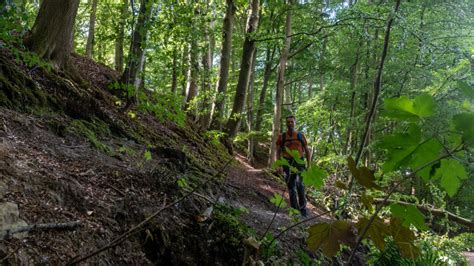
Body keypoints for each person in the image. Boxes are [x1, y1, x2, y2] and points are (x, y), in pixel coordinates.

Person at [276, 115, 311, 217]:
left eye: (292, 122)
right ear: (286, 123)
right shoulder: (281, 137)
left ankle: (303, 211)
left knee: (300, 185)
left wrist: (309, 165)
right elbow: (278, 151)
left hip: (299, 162)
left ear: (295, 123)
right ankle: (294, 211)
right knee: (291, 187)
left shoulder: (300, 135)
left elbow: (307, 151)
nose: (290, 123)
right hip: (287, 162)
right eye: (288, 122)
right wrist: (279, 165)